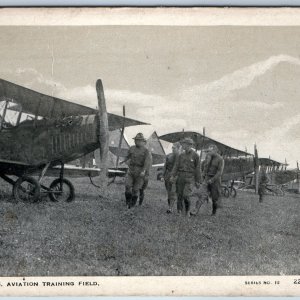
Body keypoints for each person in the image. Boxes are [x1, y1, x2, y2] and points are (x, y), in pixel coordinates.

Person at [120, 133, 152, 209]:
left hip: (140, 171)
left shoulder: (146, 151)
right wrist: (123, 161)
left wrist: (143, 171)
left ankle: (132, 205)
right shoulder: (131, 148)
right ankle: (127, 202)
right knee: (127, 186)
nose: (136, 142)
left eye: (138, 140)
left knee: (135, 189)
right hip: (131, 170)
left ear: (142, 141)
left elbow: (147, 162)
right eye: (136, 140)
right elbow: (128, 156)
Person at [171, 137, 201, 217]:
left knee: (186, 195)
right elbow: (176, 166)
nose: (183, 146)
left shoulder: (195, 156)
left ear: (190, 145)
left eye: (185, 144)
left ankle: (187, 210)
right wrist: (173, 175)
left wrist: (198, 181)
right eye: (183, 144)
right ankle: (179, 211)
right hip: (180, 176)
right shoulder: (181, 155)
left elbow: (198, 168)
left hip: (190, 178)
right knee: (179, 194)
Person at [202, 144, 224, 216]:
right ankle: (195, 210)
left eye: (210, 151)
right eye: (208, 151)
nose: (209, 152)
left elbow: (219, 172)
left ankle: (214, 212)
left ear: (215, 150)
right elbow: (205, 167)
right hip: (207, 177)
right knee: (202, 194)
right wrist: (204, 175)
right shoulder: (208, 157)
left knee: (215, 197)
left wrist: (212, 180)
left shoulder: (220, 159)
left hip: (215, 179)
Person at [162, 142, 181, 213]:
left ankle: (171, 208)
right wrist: (162, 175)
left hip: (176, 176)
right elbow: (165, 166)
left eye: (174, 148)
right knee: (169, 192)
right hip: (168, 175)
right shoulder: (169, 156)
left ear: (179, 148)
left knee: (173, 191)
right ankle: (170, 206)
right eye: (172, 148)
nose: (173, 149)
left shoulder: (181, 157)